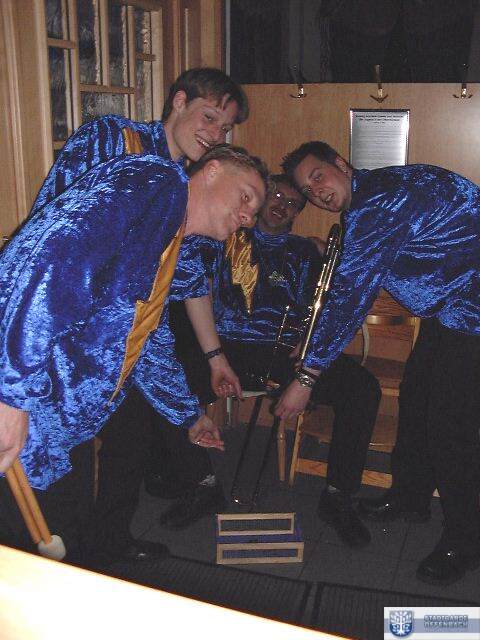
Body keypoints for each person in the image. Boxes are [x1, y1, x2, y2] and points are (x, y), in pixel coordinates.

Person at [0, 144, 268, 568]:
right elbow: (48, 258)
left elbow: (145, 341)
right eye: (246, 197)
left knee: (61, 537)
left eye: (253, 212)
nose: (248, 217)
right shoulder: (155, 182)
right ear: (213, 170)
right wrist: (11, 393)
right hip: (31, 396)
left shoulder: (169, 238)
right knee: (24, 549)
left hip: (62, 416)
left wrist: (188, 416)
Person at [279, 140, 480, 586]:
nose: (317, 192)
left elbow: (350, 296)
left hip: (472, 309)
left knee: (452, 429)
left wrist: (307, 375)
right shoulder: (377, 194)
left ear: (341, 163)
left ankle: (465, 542)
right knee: (417, 399)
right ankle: (410, 497)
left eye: (318, 176)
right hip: (451, 305)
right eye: (307, 190)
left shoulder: (377, 204)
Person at [148, 174, 381, 549]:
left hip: (284, 352)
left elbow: (330, 303)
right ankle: (201, 484)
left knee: (362, 389)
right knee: (167, 384)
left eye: (292, 203)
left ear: (299, 212)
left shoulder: (305, 250)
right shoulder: (225, 239)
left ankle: (339, 495)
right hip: (225, 350)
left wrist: (309, 339)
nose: (281, 206)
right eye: (275, 195)